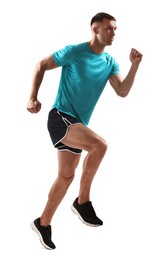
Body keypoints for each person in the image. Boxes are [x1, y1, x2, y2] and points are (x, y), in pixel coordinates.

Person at [27, 12, 143, 250]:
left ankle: (43, 223)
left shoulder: (110, 62)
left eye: (115, 29)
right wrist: (32, 97)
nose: (113, 33)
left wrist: (134, 66)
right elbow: (41, 64)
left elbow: (122, 91)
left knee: (66, 177)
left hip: (77, 125)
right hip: (61, 118)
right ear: (95, 29)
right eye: (109, 28)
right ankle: (83, 202)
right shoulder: (75, 52)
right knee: (99, 145)